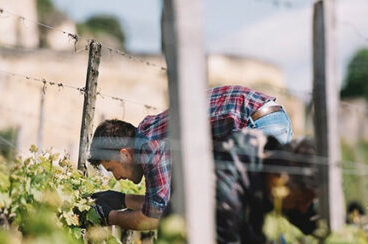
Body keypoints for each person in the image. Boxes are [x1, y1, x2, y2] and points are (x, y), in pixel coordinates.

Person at [87, 85, 294, 231]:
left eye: (112, 168)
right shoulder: (150, 137)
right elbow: (174, 207)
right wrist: (122, 199)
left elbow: (153, 218)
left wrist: (109, 217)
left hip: (258, 124)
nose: (116, 178)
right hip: (267, 120)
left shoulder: (151, 147)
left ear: (124, 154)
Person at [210, 129, 319, 244]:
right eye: (300, 201)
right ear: (278, 180)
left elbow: (307, 216)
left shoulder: (276, 161)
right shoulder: (228, 195)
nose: (303, 208)